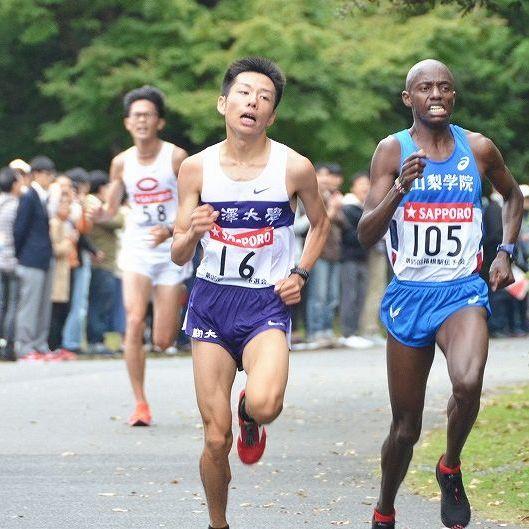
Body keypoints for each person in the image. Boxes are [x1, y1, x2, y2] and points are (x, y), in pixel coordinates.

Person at [357, 59, 523, 529]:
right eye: (425, 87)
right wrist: (400, 189)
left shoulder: (478, 148)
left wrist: (505, 251)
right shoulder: (392, 151)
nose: (436, 94)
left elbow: (513, 197)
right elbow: (366, 232)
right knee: (405, 428)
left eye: (445, 87)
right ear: (408, 98)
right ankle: (385, 508)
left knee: (468, 384)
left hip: (461, 292)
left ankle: (450, 466)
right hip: (410, 295)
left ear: (454, 96)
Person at [171, 57, 329, 529]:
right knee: (215, 439)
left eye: (264, 98)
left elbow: (320, 225)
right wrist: (191, 232)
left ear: (272, 115)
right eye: (243, 93)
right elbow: (180, 253)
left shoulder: (294, 167)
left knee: (266, 404)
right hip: (212, 303)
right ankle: (218, 524)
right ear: (223, 103)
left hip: (266, 304)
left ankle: (249, 413)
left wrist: (299, 273)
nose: (253, 102)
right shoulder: (195, 170)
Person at [103, 85, 191, 426]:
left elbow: (193, 203)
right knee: (134, 319)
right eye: (136, 115)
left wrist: (171, 230)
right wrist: (96, 214)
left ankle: (167, 325)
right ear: (127, 123)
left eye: (148, 115)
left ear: (159, 122)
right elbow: (111, 209)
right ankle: (140, 403)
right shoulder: (120, 163)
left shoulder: (176, 158)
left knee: (163, 339)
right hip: (137, 249)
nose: (142, 120)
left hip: (170, 250)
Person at [14, 156, 56, 359]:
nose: (50, 178)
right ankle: (24, 345)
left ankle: (40, 343)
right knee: (30, 304)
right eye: (47, 174)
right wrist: (20, 254)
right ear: (37, 174)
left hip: (44, 257)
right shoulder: (29, 196)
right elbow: (19, 229)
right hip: (30, 257)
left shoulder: (45, 197)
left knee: (43, 304)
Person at [339, 171, 373, 348]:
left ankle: (355, 331)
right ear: (353, 187)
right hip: (348, 258)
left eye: (367, 185)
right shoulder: (347, 207)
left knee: (360, 295)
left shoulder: (364, 208)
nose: (365, 188)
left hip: (363, 257)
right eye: (361, 184)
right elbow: (351, 235)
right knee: (350, 295)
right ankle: (347, 332)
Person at [0, 167, 23, 361]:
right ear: (14, 184)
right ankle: (9, 344)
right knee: (14, 304)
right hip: (12, 259)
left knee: (2, 304)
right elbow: (19, 233)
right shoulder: (16, 206)